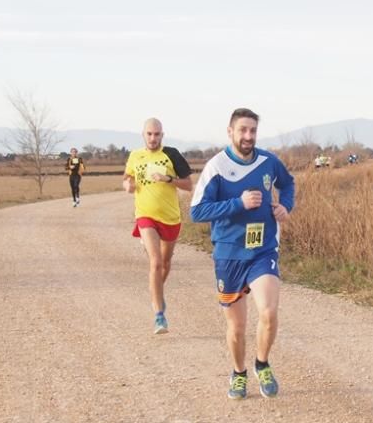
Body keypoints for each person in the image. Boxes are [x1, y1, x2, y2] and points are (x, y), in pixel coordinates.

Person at [190, 108, 295, 400]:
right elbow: (197, 211)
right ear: (230, 132)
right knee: (237, 327)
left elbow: (287, 184)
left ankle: (262, 364)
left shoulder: (268, 161)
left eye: (252, 131)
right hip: (229, 255)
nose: (248, 136)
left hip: (263, 251)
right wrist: (238, 203)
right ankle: (238, 373)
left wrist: (285, 206)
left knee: (268, 312)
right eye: (243, 130)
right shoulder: (217, 167)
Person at [123, 118, 193, 334]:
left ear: (162, 135)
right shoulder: (135, 155)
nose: (153, 138)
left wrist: (168, 179)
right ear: (143, 135)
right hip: (145, 215)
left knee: (165, 262)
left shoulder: (171, 154)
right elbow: (127, 177)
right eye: (149, 134)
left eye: (157, 134)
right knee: (155, 262)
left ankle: (156, 291)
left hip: (171, 218)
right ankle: (159, 315)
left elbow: (189, 185)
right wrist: (128, 184)